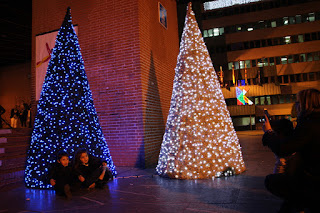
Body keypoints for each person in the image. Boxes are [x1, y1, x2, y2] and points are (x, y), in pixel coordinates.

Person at [262, 88, 320, 212]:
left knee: (271, 181)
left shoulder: (309, 124)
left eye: (298, 102)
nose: (296, 105)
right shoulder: (312, 121)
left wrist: (268, 132)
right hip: (312, 176)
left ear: (306, 104)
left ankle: (305, 202)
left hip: (313, 182)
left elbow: (283, 149)